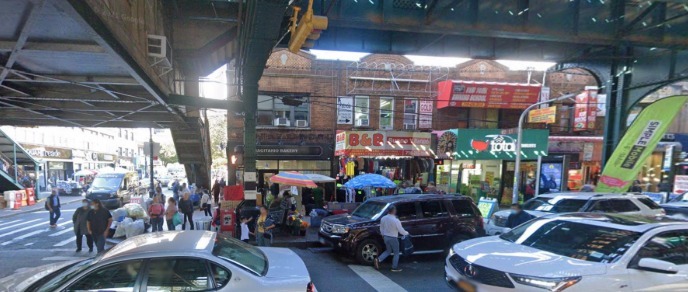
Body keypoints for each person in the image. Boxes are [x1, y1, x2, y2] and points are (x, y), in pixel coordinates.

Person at [374, 206, 409, 272]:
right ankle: (394, 267)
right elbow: (400, 230)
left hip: (385, 237)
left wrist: (383, 235)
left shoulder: (383, 218)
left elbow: (381, 228)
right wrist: (406, 233)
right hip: (393, 237)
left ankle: (378, 259)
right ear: (394, 211)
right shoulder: (396, 220)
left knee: (388, 251)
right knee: (396, 253)